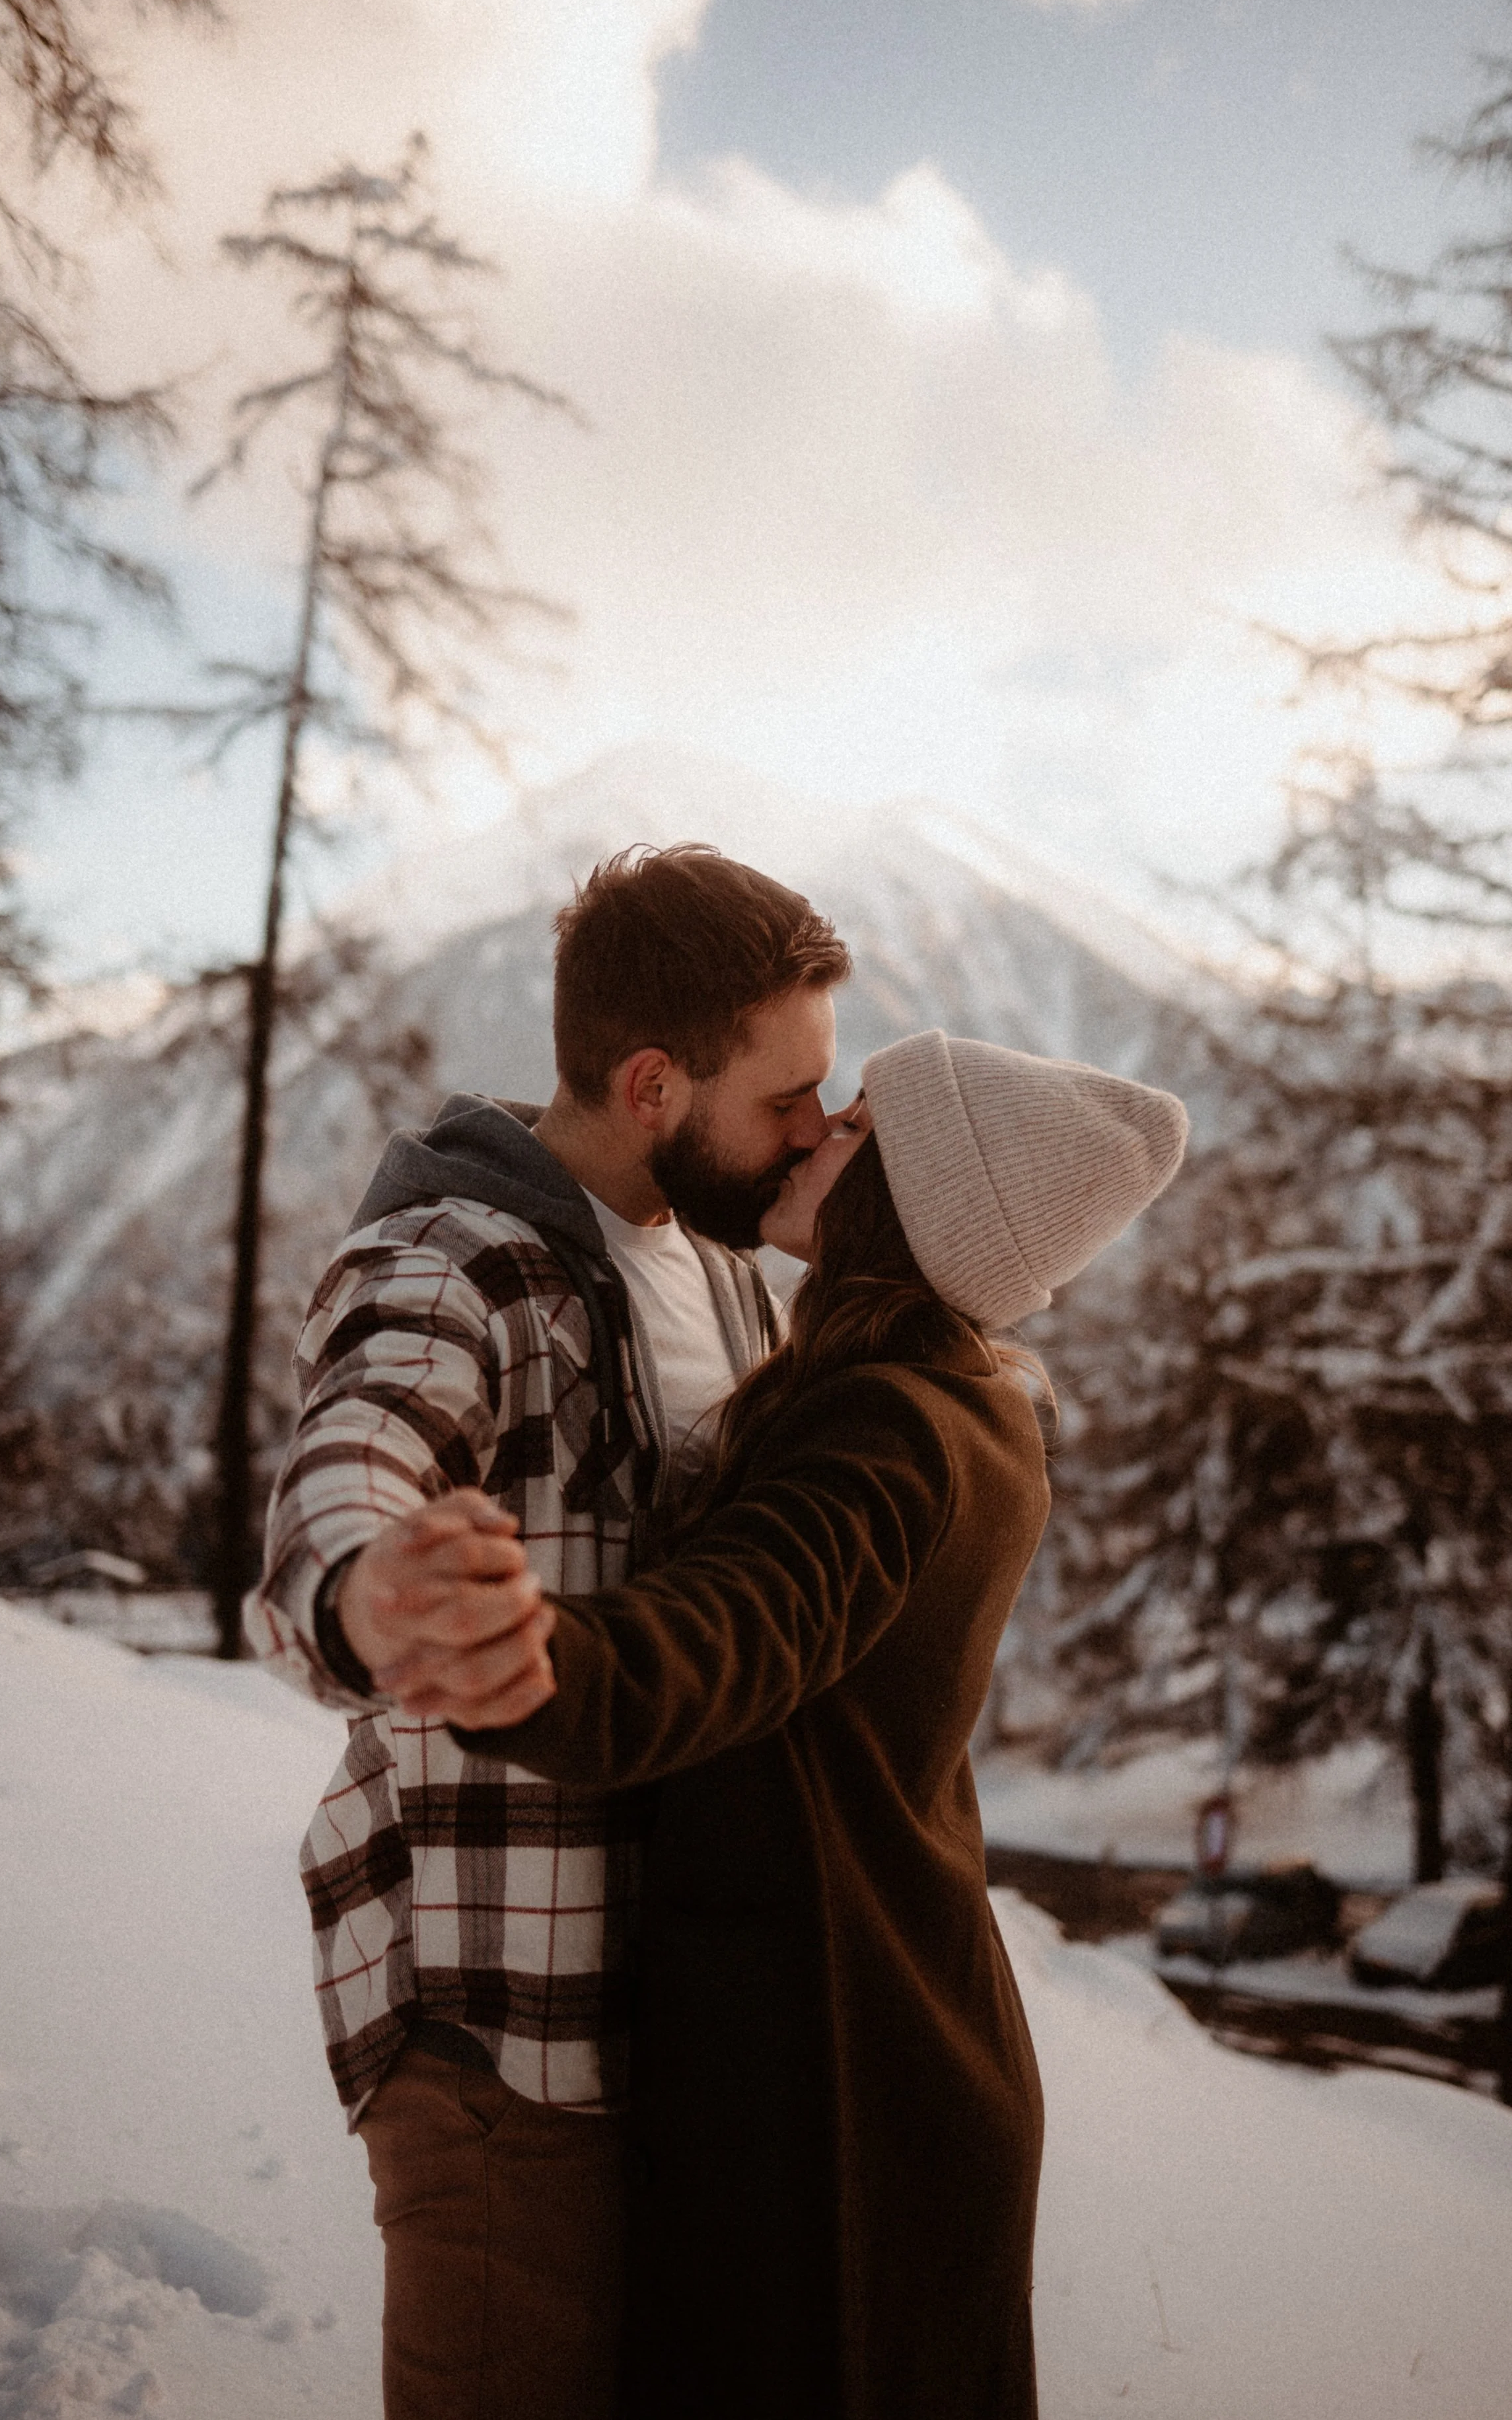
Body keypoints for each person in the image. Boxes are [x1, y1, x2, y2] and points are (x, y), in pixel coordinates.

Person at [360, 1029, 1190, 2420]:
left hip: (834, 2074)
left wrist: (518, 1656)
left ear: (919, 1201)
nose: (810, 1136)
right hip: (875, 2022)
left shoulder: (890, 1421)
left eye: (854, 1126)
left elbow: (740, 1629)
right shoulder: (957, 1397)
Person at [245, 842, 851, 2420]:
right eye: (782, 1095)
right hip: (501, 2041)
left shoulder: (724, 1275)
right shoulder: (451, 1260)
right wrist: (367, 1589)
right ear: (653, 1084)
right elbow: (358, 1441)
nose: (812, 1123)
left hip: (683, 2022)